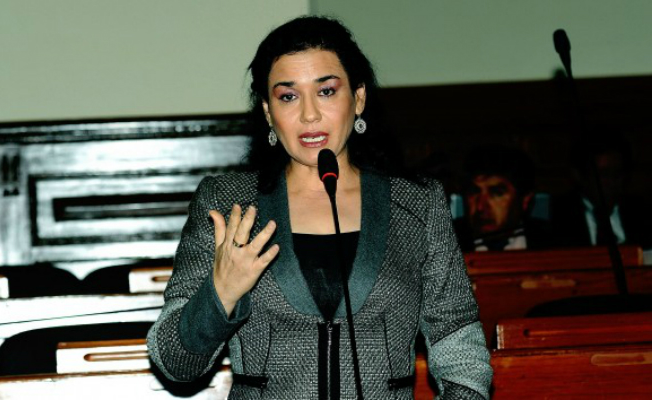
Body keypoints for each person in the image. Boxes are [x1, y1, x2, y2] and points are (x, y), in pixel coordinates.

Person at [147, 16, 492, 399]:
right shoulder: (227, 204)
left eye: (326, 91)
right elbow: (175, 364)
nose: (309, 114)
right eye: (288, 96)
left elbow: (458, 343)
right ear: (267, 112)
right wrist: (221, 294)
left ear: (358, 99)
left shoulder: (416, 203)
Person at [552, 132, 651, 249]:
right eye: (603, 174)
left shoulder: (642, 213)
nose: (612, 181)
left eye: (618, 173)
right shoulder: (557, 216)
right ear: (579, 175)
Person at [454, 144, 551, 251]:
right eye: (473, 192)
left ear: (525, 200)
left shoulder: (553, 241)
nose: (481, 206)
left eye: (497, 193)